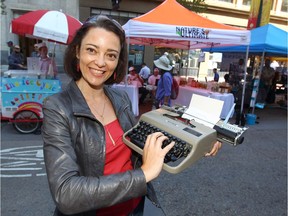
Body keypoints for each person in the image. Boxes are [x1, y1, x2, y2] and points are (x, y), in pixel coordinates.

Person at [41, 15, 222, 216]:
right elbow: (66, 194)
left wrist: (195, 144)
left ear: (118, 60)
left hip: (136, 207)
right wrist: (143, 175)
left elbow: (144, 148)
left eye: (110, 55)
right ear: (77, 51)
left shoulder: (120, 98)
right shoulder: (57, 107)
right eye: (92, 50)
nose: (100, 63)